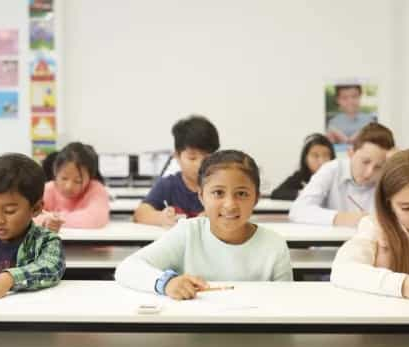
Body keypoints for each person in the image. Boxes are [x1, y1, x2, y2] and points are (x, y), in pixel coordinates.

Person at [115, 150, 293, 300]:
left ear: (256, 198)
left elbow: (286, 302)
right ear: (201, 197)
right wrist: (166, 282)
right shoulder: (188, 233)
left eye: (241, 193)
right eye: (218, 193)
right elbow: (128, 268)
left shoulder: (274, 245)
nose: (230, 204)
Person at [331, 148, 409, 300]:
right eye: (406, 208)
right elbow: (342, 270)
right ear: (389, 205)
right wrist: (402, 285)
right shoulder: (374, 227)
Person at [0, 153, 65, 302]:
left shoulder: (46, 241)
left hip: (24, 316)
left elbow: (51, 267)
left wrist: (9, 279)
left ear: (36, 208)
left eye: (9, 211)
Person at [289, 123, 395, 227]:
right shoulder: (331, 169)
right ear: (351, 153)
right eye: (365, 162)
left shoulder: (387, 177)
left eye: (378, 167)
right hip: (331, 243)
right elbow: (297, 210)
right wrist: (343, 218)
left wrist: (396, 166)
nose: (369, 173)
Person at [134, 115, 220, 227]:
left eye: (207, 157)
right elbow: (140, 214)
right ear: (177, 157)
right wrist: (161, 218)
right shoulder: (168, 185)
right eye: (192, 158)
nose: (200, 164)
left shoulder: (222, 184)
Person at [34, 142, 110, 231]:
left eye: (78, 181)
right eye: (64, 178)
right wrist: (44, 220)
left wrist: (54, 219)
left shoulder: (96, 189)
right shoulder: (46, 189)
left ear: (90, 178)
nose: (69, 186)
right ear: (55, 172)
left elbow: (95, 219)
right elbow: (26, 216)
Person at [271, 133, 335, 200]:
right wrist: (305, 193)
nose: (321, 161)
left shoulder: (337, 176)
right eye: (315, 156)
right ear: (305, 159)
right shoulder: (301, 176)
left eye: (326, 155)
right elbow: (276, 193)